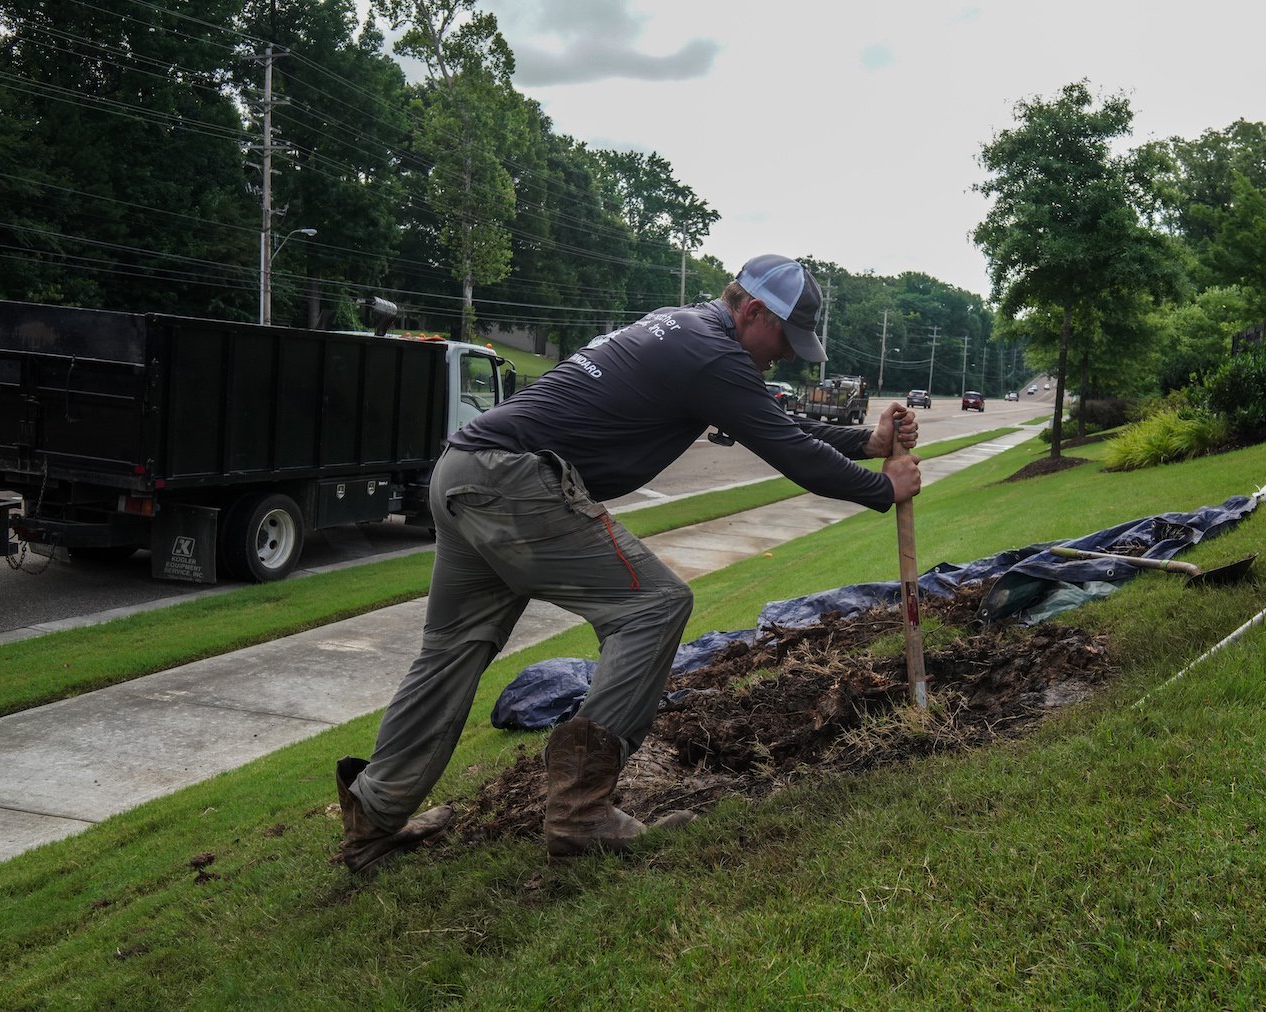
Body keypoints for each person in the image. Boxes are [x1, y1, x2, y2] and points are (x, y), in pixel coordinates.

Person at [335, 254, 923, 869]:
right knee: (656, 606)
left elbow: (771, 423)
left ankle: (373, 816)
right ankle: (581, 810)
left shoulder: (684, 327)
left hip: (464, 470)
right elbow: (790, 453)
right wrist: (884, 488)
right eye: (784, 340)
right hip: (515, 484)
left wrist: (866, 443)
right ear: (752, 310)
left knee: (450, 649)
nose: (787, 357)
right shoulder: (711, 352)